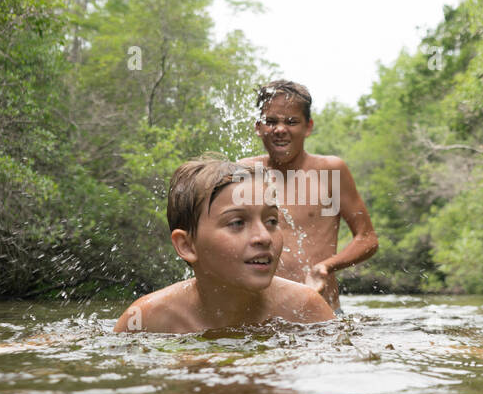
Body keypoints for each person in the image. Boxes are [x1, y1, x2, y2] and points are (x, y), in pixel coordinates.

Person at [113, 155, 334, 333]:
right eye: (237, 222)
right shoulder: (146, 319)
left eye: (271, 221)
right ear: (187, 245)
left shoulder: (305, 308)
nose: (264, 237)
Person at [237, 80, 378, 313]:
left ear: (308, 127)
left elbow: (367, 238)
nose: (280, 129)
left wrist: (325, 267)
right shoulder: (243, 172)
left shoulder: (329, 171)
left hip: (322, 309)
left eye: (291, 122)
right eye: (271, 121)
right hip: (258, 312)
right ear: (258, 127)